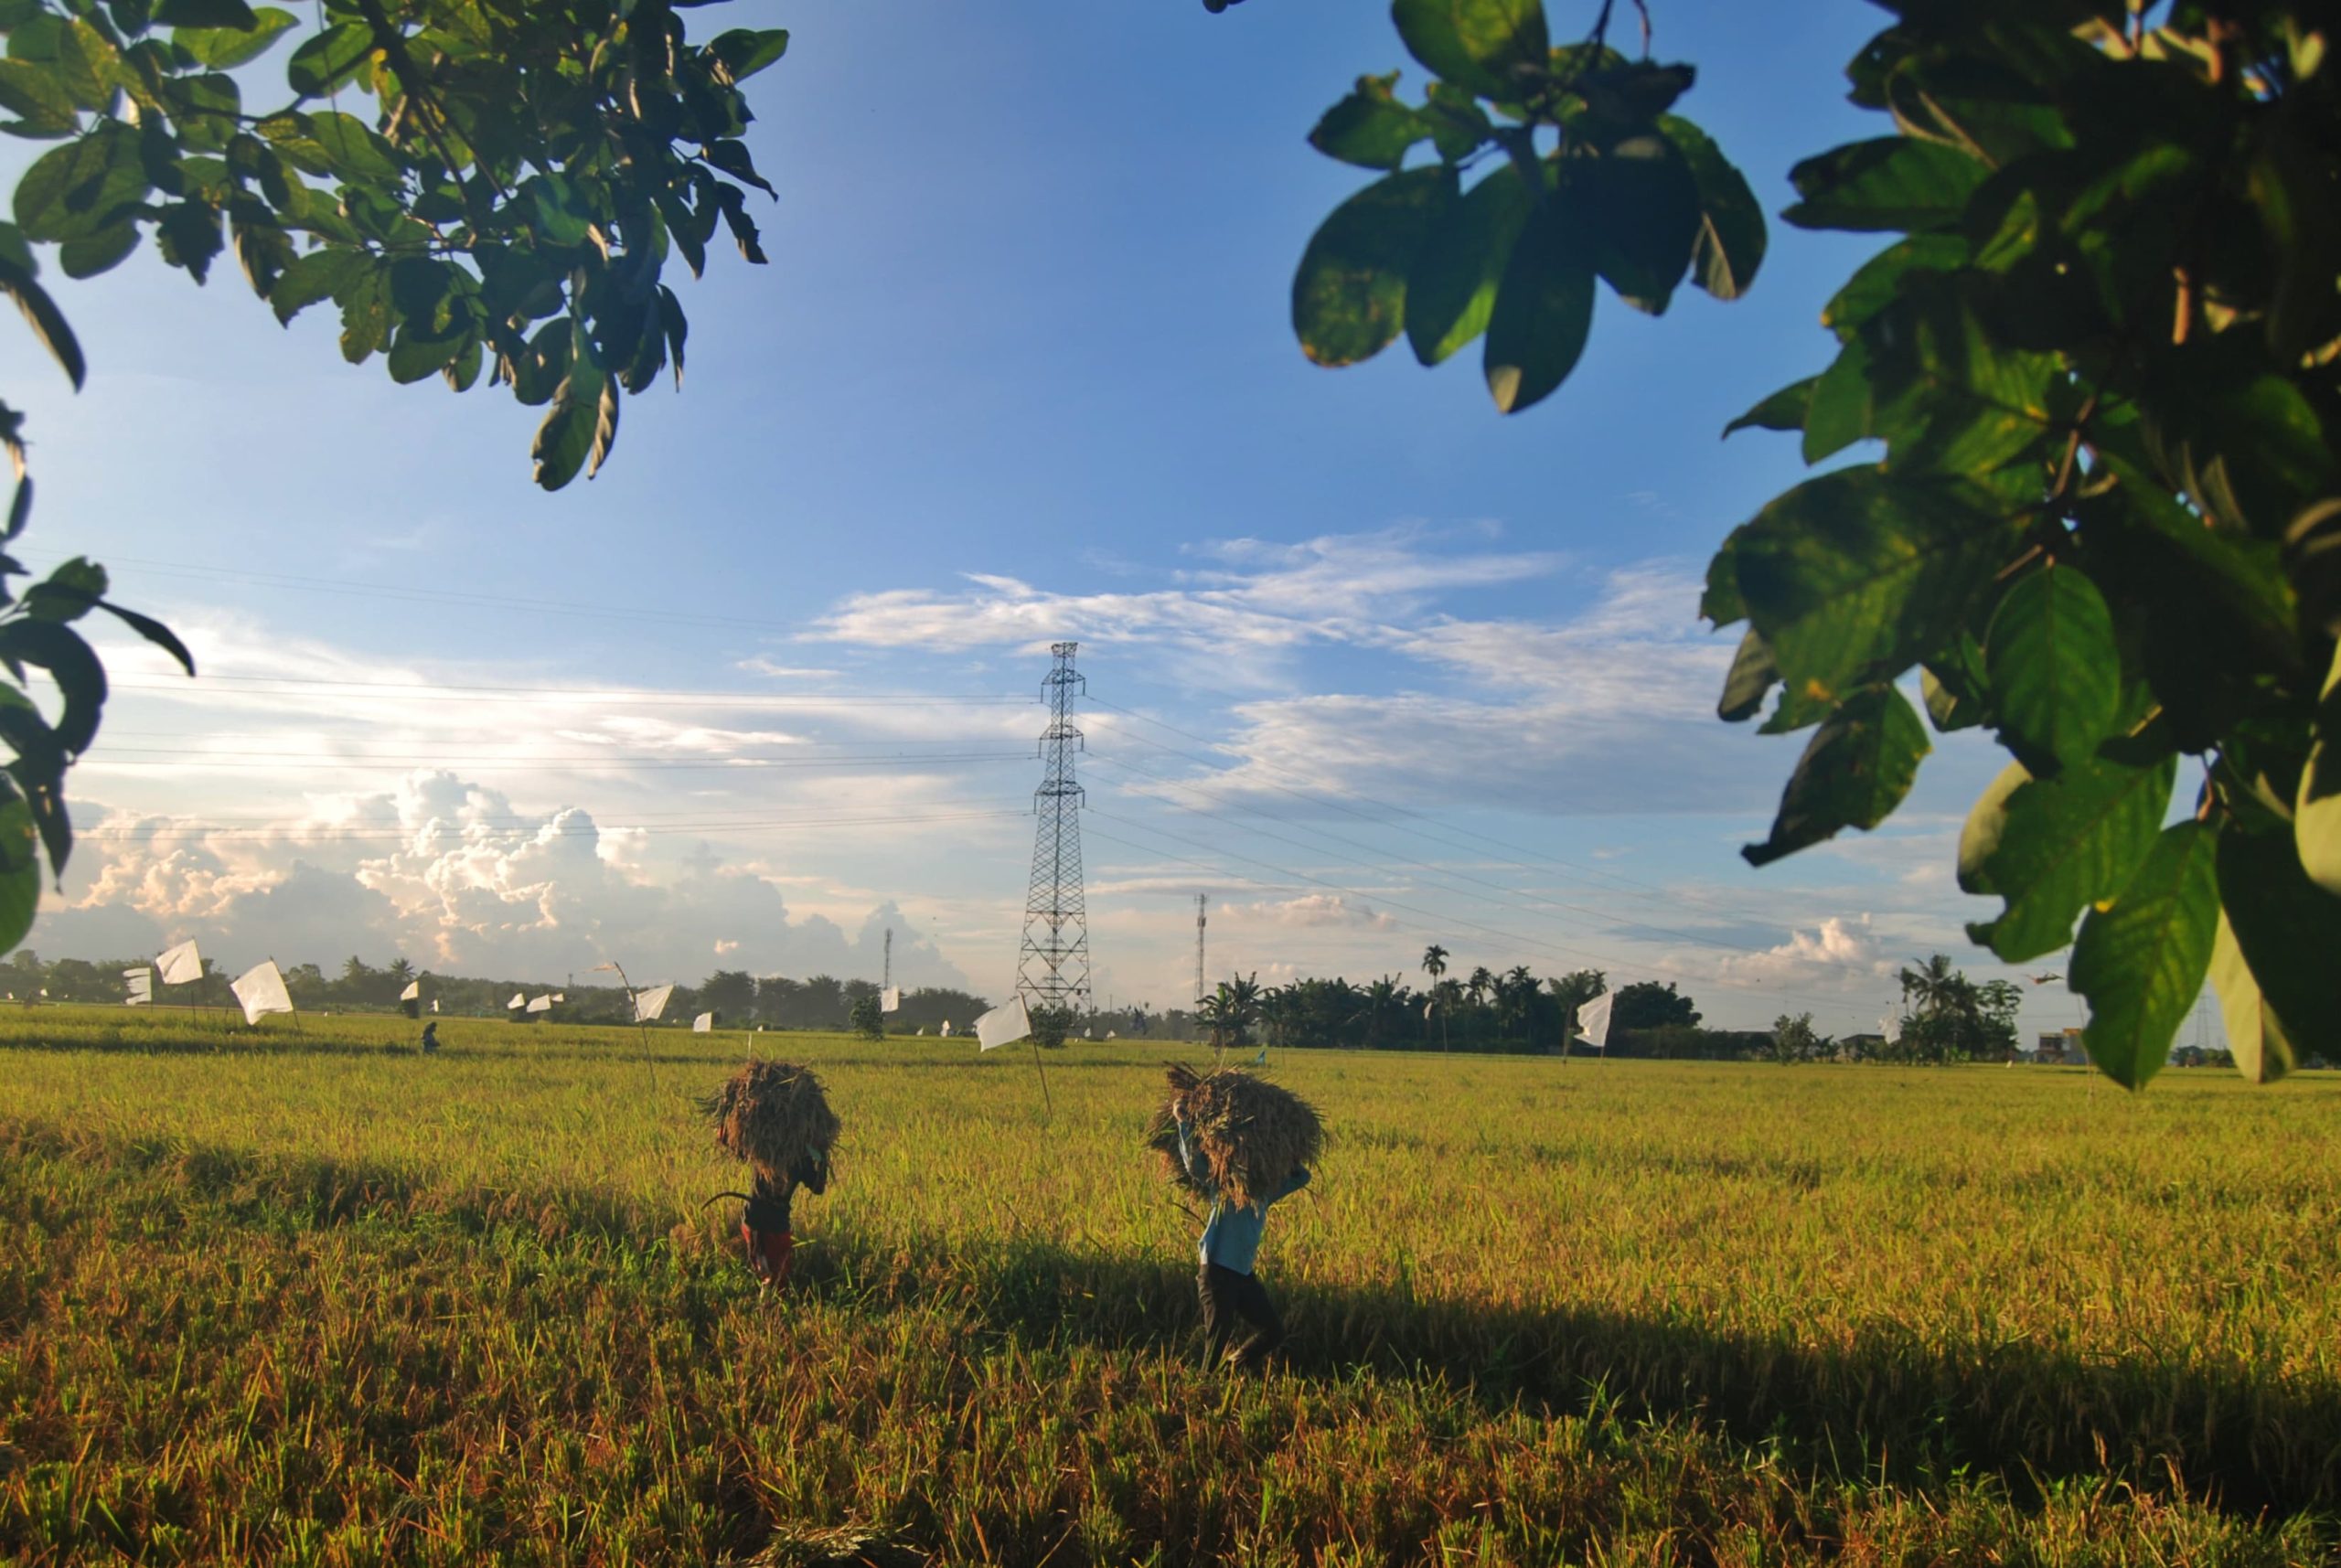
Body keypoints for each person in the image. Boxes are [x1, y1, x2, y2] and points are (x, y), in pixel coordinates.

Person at [1174, 1102, 1309, 1371]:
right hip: (1217, 1272)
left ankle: (1232, 1369)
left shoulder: (1264, 1193)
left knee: (1273, 1332)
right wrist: (1183, 1123)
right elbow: (1194, 1165)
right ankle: (1204, 1387)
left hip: (1242, 1274)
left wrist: (1288, 1153)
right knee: (1216, 1343)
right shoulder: (1224, 1185)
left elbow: (1301, 1177)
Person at [742, 1148, 828, 1290]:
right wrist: (822, 1157)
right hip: (769, 1224)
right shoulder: (800, 1157)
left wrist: (821, 1158)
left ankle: (765, 1307)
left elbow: (729, 1139)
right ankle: (768, 1308)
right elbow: (818, 1188)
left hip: (758, 1219)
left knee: (769, 1276)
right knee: (775, 1279)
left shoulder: (764, 1145)